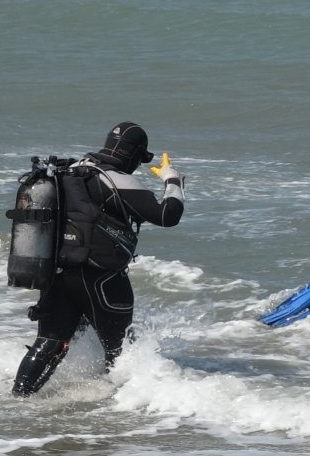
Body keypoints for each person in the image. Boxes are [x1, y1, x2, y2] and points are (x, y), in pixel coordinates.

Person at [11, 122, 186, 397]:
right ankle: (122, 415)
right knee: (120, 349)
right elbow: (167, 215)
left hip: (57, 271)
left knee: (49, 341)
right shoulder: (116, 178)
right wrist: (172, 180)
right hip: (100, 277)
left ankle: (19, 400)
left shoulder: (70, 170)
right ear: (134, 155)